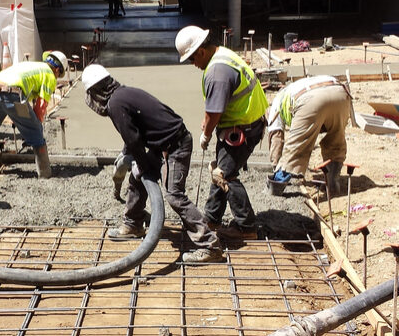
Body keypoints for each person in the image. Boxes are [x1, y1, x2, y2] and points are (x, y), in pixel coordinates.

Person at [81, 64, 223, 264]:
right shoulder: (124, 93)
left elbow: (133, 140)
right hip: (164, 143)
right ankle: (133, 224)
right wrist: (132, 159)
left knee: (174, 195)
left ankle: (209, 244)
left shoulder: (115, 104)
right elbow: (133, 132)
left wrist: (143, 163)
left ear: (96, 92)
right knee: (138, 178)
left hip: (176, 144)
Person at [175, 25, 268, 240]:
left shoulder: (216, 72)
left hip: (241, 128)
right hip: (248, 122)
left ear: (201, 51)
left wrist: (206, 133)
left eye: (192, 59)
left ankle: (246, 227)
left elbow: (215, 110)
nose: (193, 64)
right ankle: (212, 218)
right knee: (220, 171)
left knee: (225, 175)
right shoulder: (223, 55)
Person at [0, 51, 66, 179]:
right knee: (36, 130)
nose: (57, 78)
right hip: (11, 93)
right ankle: (45, 174)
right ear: (57, 70)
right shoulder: (49, 75)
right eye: (59, 75)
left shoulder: (32, 66)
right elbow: (40, 107)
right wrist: (35, 126)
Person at [267, 75, 351, 194]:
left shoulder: (276, 104)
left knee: (295, 149)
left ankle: (276, 187)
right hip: (340, 94)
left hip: (311, 99)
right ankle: (333, 183)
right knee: (336, 141)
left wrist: (276, 166)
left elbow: (276, 137)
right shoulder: (293, 88)